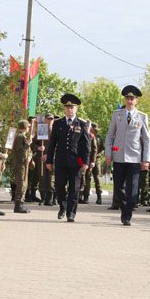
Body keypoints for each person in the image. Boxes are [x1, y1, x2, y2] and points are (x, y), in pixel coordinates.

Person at [104, 85, 150, 227]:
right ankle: (124, 210)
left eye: (132, 98)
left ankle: (127, 215)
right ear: (125, 100)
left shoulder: (142, 116)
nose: (129, 101)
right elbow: (110, 135)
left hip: (135, 157)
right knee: (118, 187)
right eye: (127, 98)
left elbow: (146, 139)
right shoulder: (117, 114)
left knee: (133, 189)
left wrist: (146, 160)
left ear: (136, 100)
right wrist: (108, 153)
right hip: (119, 157)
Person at [45, 93, 91, 223]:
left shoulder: (82, 124)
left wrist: (86, 162)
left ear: (76, 109)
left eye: (72, 107)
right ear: (64, 109)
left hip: (76, 162)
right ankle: (62, 206)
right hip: (60, 161)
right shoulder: (58, 123)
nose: (69, 109)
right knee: (59, 185)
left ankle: (71, 213)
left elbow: (87, 145)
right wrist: (49, 160)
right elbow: (52, 143)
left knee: (74, 188)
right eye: (67, 107)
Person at [12, 119, 33, 214]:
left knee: (24, 183)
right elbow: (20, 151)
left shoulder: (23, 137)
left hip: (24, 163)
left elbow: (29, 151)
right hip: (20, 164)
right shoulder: (20, 137)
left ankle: (21, 203)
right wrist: (28, 144)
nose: (29, 128)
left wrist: (30, 157)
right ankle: (18, 205)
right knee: (21, 183)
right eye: (28, 126)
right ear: (24, 127)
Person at [80, 123, 103, 205]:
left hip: (95, 161)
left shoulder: (98, 137)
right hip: (84, 160)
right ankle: (82, 196)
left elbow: (98, 149)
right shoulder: (84, 135)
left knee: (96, 179)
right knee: (83, 177)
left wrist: (95, 158)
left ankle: (98, 196)